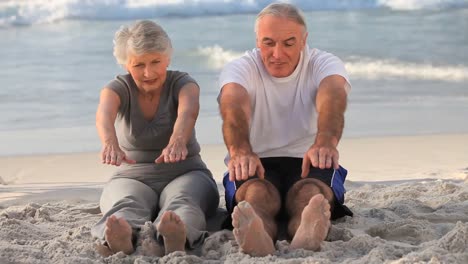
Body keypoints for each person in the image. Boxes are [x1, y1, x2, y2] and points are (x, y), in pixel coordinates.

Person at [218, 2, 353, 257]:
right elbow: (233, 106)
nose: (277, 54)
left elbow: (332, 99)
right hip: (255, 160)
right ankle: (259, 235)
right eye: (268, 43)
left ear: (304, 40)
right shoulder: (240, 68)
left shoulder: (324, 63)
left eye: (288, 43)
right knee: (257, 195)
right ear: (257, 41)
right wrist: (240, 150)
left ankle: (305, 230)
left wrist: (325, 140)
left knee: (309, 193)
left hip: (310, 157)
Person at [91, 20, 219, 256]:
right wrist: (110, 142)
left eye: (155, 62)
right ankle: (121, 237)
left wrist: (178, 140)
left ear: (167, 58)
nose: (148, 72)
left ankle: (174, 235)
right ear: (126, 64)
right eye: (139, 65)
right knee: (125, 202)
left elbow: (188, 112)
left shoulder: (184, 84)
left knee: (183, 200)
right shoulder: (116, 88)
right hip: (132, 174)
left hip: (186, 171)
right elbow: (104, 115)